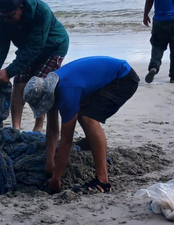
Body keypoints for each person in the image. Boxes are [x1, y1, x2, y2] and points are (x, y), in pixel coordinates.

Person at [24, 56, 139, 194]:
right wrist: (50, 162)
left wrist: (56, 179)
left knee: (88, 117)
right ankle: (91, 144)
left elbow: (67, 140)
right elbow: (53, 128)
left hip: (123, 78)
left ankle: (103, 181)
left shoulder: (66, 91)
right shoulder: (50, 86)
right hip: (105, 77)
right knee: (82, 112)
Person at [0, 0, 69, 132]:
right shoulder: (3, 19)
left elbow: (35, 48)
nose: (6, 21)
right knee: (19, 85)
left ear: (21, 8)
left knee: (38, 86)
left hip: (53, 48)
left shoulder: (41, 12)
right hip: (27, 49)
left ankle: (38, 127)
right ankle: (15, 128)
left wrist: (8, 72)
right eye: (3, 17)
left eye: (10, 17)